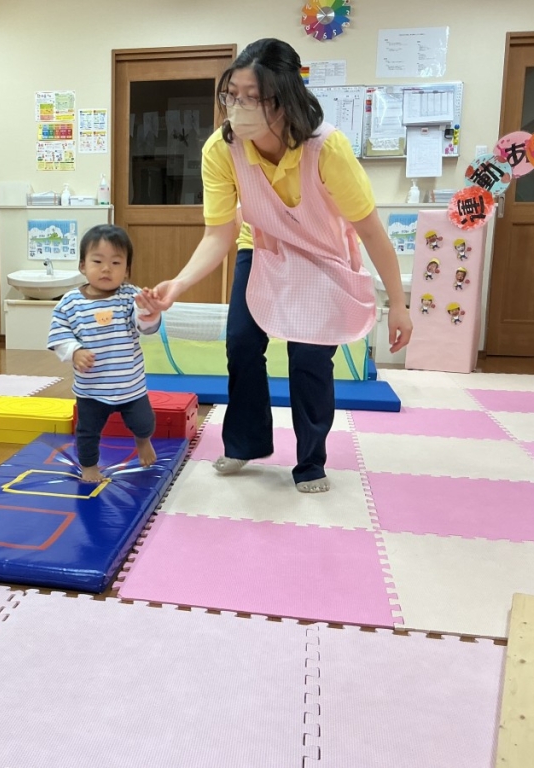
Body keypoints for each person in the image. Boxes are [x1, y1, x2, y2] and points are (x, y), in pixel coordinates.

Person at [145, 39, 412, 494]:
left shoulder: (326, 148)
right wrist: (181, 282)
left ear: (283, 98)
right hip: (263, 246)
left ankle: (311, 461)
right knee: (241, 341)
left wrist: (400, 306)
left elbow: (370, 231)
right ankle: (245, 442)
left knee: (310, 357)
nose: (239, 107)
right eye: (232, 95)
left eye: (253, 97)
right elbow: (219, 233)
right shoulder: (221, 149)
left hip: (322, 255)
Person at [48, 225, 162, 484]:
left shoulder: (130, 297)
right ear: (82, 266)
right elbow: (59, 336)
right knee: (87, 432)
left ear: (127, 270)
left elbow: (146, 328)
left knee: (145, 422)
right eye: (97, 261)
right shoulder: (70, 303)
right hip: (91, 389)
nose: (106, 269)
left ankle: (143, 441)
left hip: (130, 385)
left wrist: (149, 312)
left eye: (116, 262)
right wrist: (74, 351)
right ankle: (89, 467)